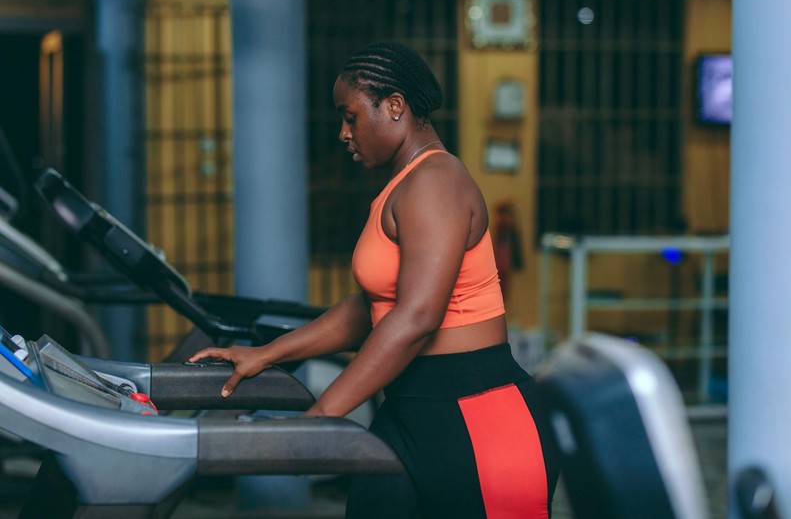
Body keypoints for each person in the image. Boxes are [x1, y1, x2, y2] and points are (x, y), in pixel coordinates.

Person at [189, 41, 560, 518]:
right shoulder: (401, 186)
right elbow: (370, 307)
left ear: (395, 107)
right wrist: (267, 354)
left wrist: (321, 417)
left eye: (351, 117)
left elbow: (418, 317)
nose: (344, 133)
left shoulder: (436, 182)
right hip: (410, 408)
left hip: (477, 413)